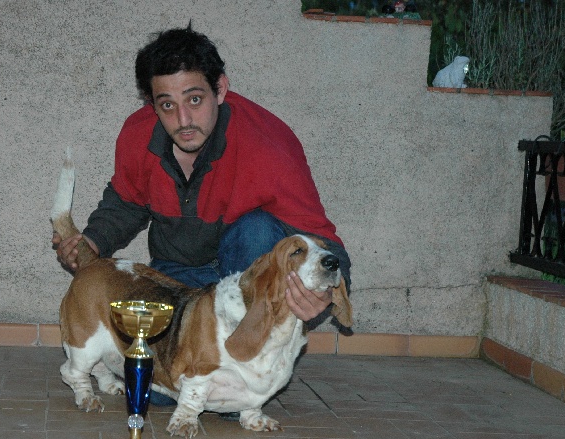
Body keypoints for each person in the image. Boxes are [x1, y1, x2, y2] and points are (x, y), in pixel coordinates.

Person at [53, 25, 351, 406]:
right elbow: (126, 201)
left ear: (220, 89)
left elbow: (325, 244)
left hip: (244, 275)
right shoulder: (137, 135)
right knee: (160, 390)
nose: (183, 120)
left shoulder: (271, 148)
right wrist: (91, 241)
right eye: (166, 105)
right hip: (181, 281)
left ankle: (247, 368)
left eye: (195, 99)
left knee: (258, 231)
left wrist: (324, 293)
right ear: (151, 103)